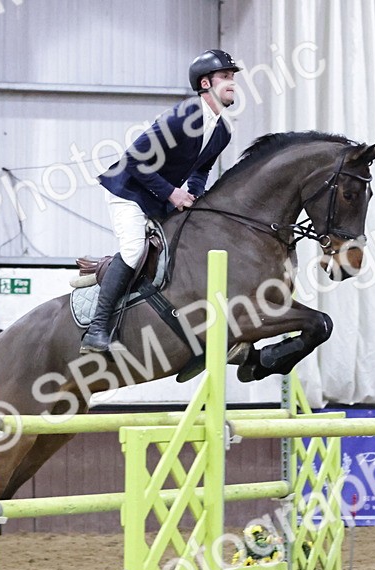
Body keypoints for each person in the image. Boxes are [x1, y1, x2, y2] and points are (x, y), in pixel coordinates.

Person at [84, 48, 242, 353]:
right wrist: (172, 193)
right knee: (134, 250)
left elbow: (202, 168)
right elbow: (133, 159)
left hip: (158, 197)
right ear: (206, 84)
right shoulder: (183, 116)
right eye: (225, 76)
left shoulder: (223, 131)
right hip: (127, 191)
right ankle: (97, 328)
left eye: (233, 77)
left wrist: (193, 194)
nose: (232, 82)